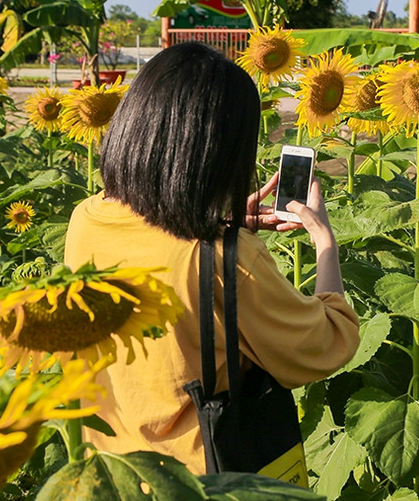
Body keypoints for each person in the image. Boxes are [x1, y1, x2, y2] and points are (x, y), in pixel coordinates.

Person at [64, 42, 360, 475]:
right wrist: (325, 242)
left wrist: (221, 223)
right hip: (192, 481)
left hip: (108, 470)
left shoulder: (87, 218)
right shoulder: (227, 261)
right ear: (222, 154)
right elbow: (326, 343)